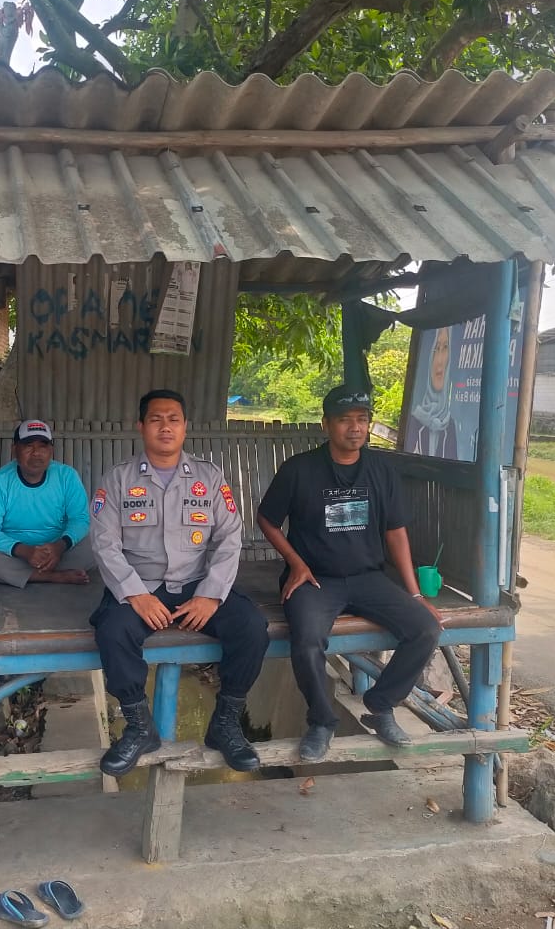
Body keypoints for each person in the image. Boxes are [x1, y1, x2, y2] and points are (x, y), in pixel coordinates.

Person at [90, 389, 270, 777]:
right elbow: (104, 543)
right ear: (141, 426)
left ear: (185, 427)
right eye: (156, 419)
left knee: (252, 627)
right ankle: (139, 727)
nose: (165, 427)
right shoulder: (118, 479)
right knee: (113, 631)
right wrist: (135, 594)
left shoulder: (209, 477)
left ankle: (225, 723)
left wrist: (210, 596)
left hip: (196, 584)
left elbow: (230, 537)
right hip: (141, 584)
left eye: (173, 419)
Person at [258, 384, 443, 760]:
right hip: (315, 580)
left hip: (367, 578)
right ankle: (321, 721)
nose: (355, 427)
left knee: (425, 628)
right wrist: (296, 562)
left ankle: (380, 704)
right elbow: (267, 519)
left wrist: (415, 594)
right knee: (308, 639)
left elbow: (396, 532)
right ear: (326, 424)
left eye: (362, 419)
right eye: (345, 420)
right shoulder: (299, 469)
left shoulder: (381, 470)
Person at [0, 420, 95, 587]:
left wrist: (59, 548)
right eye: (28, 446)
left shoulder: (67, 476)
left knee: (96, 542)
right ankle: (51, 576)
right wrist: (25, 551)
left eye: (42, 446)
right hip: (15, 554)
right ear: (14, 450)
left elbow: (80, 519)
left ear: (51, 450)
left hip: (58, 552)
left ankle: (22, 575)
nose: (36, 453)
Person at [408, 325, 458, 459]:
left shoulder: (449, 425)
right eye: (436, 349)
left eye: (446, 347)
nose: (439, 361)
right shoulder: (414, 420)